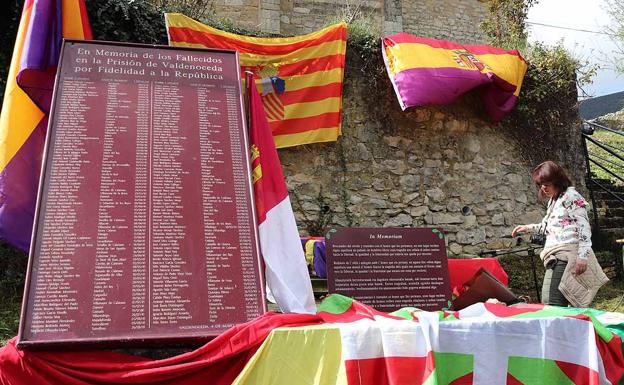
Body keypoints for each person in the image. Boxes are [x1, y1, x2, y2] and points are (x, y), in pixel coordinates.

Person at [511, 160, 608, 307]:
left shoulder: (571, 196)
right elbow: (548, 226)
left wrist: (582, 256)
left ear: (557, 180)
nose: (543, 188)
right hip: (556, 255)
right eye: (540, 184)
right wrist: (527, 228)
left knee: (552, 301)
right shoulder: (555, 200)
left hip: (567, 256)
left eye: (547, 184)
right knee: (552, 301)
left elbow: (584, 227)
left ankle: (562, 329)